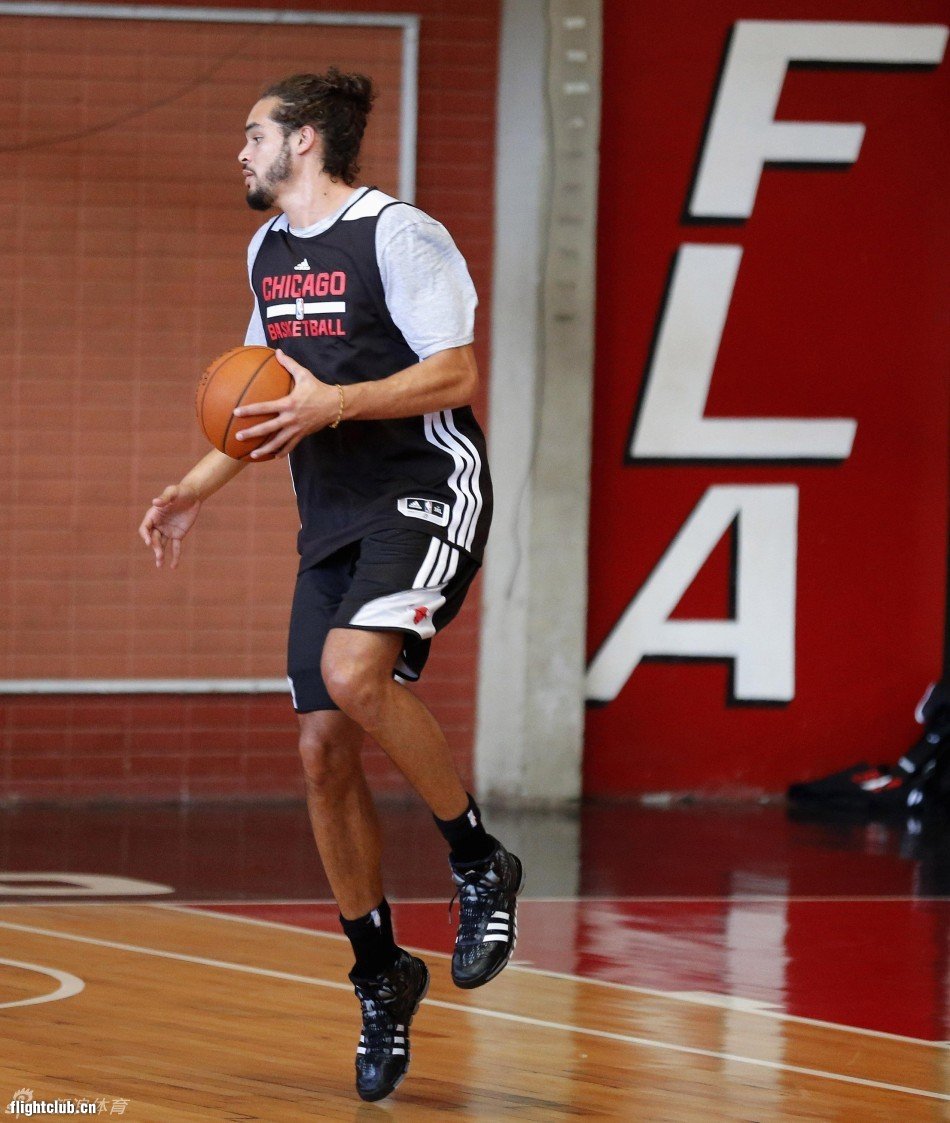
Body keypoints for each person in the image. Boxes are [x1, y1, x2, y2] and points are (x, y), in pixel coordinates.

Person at [138, 69, 524, 1103]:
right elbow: (264, 401)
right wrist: (192, 489)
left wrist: (338, 404)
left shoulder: (399, 234)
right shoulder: (267, 252)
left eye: (253, 133)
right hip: (333, 516)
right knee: (320, 751)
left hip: (427, 488)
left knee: (355, 674)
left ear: (304, 139)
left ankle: (479, 860)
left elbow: (455, 374)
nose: (241, 151)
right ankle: (380, 971)